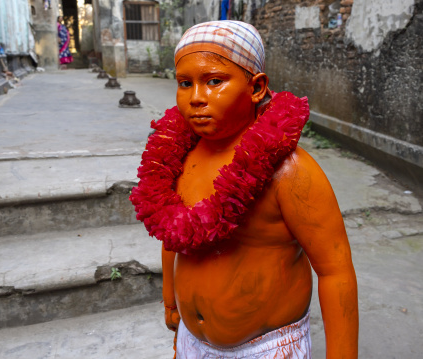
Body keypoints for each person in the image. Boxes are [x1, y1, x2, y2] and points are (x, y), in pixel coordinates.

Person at [130, 20, 358, 358]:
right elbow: (174, 235)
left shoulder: (290, 171)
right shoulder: (181, 157)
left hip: (265, 348)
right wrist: (169, 299)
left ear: (256, 87)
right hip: (194, 341)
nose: (196, 98)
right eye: (184, 83)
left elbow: (335, 271)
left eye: (214, 82)